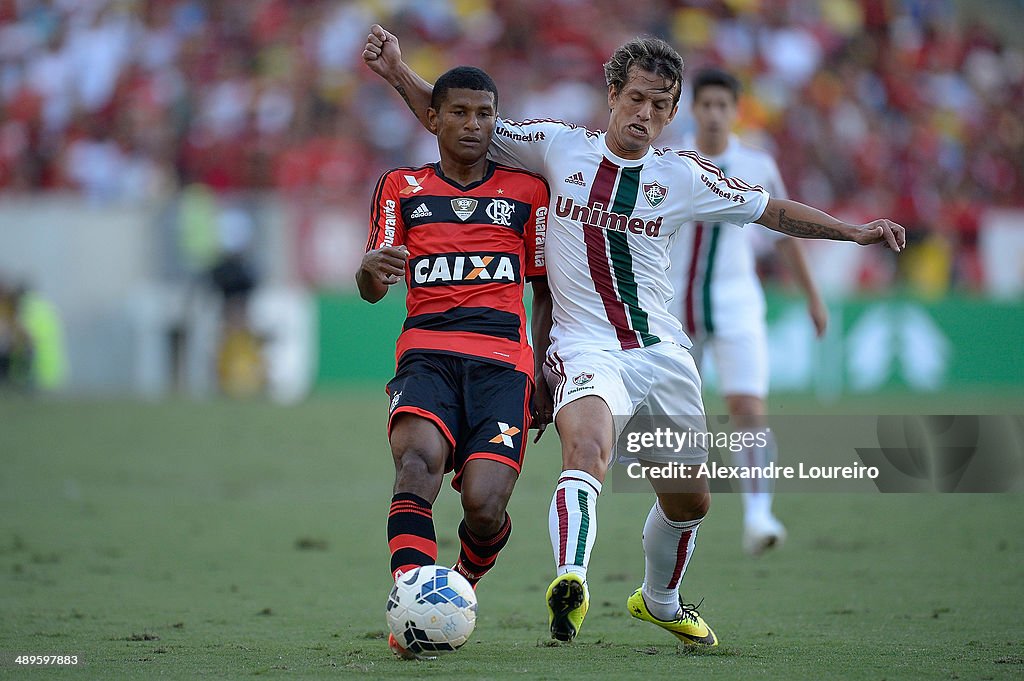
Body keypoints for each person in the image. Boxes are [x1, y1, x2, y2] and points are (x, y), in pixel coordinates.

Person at [364, 27, 905, 647]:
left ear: (673, 113)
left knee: (690, 501)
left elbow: (773, 210)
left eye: (660, 104)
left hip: (661, 353)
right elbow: (460, 117)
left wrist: (855, 231)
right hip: (584, 349)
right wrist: (399, 73)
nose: (645, 114)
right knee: (587, 449)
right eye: (636, 98)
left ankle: (659, 597)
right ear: (613, 95)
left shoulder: (686, 176)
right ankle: (570, 581)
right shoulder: (557, 147)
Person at [356, 65, 552, 658]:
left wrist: (543, 370)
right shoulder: (401, 188)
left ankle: (456, 589)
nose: (473, 124)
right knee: (416, 465)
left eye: (485, 114)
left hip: (504, 367)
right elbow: (374, 283)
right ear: (433, 118)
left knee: (484, 507)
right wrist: (367, 271)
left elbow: (545, 291)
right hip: (427, 355)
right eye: (460, 113)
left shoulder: (527, 193)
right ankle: (412, 599)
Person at [669, 67, 828, 556]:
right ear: (692, 110)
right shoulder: (669, 160)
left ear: (736, 111)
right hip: (675, 302)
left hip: (737, 299)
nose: (715, 114)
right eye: (707, 105)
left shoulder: (757, 164)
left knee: (748, 408)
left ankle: (758, 516)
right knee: (674, 421)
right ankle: (675, 517)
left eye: (723, 105)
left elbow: (784, 236)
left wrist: (812, 296)